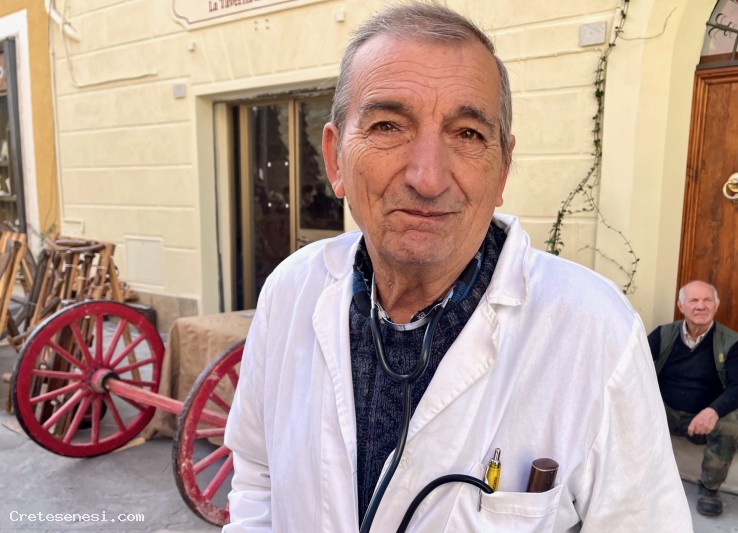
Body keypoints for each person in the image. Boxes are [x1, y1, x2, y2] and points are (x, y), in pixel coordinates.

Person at [224, 3, 691, 531]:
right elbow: (257, 474)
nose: (427, 177)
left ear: (503, 168)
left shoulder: (595, 330)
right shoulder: (289, 291)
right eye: (387, 126)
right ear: (334, 159)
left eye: (468, 134)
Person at [648, 280, 738, 517]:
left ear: (716, 305)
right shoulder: (664, 334)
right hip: (666, 411)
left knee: (730, 424)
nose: (701, 306)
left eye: (707, 300)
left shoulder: (732, 342)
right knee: (629, 410)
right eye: (694, 300)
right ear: (681, 306)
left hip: (704, 417)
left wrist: (713, 411)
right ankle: (637, 477)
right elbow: (634, 363)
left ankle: (710, 489)